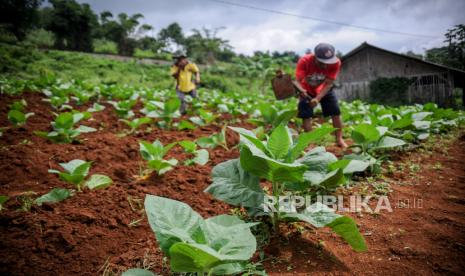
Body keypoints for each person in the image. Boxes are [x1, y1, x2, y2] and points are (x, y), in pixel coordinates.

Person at [295, 43, 348, 148]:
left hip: (324, 89)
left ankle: (339, 139)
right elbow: (296, 81)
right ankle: (310, 143)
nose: (325, 65)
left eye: (328, 62)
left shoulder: (336, 63)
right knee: (306, 115)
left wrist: (318, 98)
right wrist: (302, 91)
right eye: (322, 62)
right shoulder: (305, 61)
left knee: (336, 112)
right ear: (315, 57)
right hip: (306, 89)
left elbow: (329, 83)